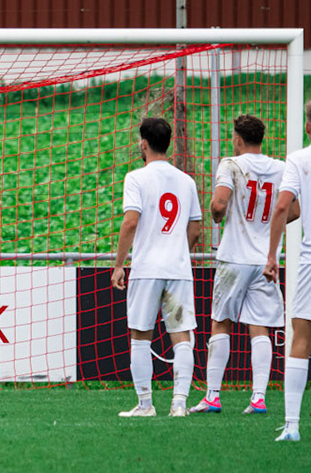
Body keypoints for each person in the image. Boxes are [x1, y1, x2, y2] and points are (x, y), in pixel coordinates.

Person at [110, 116, 203, 418]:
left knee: (140, 334)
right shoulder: (186, 181)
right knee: (181, 335)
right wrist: (178, 252)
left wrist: (119, 264)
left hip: (147, 268)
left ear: (144, 143)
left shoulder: (136, 178)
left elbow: (130, 222)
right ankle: (179, 404)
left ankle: (146, 404)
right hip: (177, 269)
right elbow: (196, 229)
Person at [195, 115, 285, 414]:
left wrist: (217, 215)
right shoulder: (280, 168)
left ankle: (212, 396)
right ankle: (258, 398)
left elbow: (219, 205)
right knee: (260, 327)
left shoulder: (231, 164)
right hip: (265, 259)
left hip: (234, 256)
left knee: (221, 322)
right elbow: (292, 210)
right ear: (262, 138)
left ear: (237, 138)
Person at [264, 119, 311, 441]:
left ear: (308, 125)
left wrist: (272, 255)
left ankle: (292, 425)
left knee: (301, 339)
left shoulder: (298, 160)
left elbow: (283, 206)